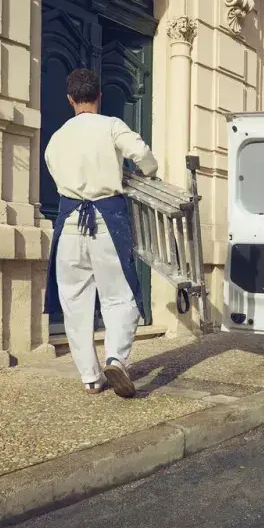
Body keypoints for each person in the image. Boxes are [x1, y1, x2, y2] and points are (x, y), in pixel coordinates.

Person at [42, 68, 159, 398]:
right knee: (119, 295)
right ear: (99, 96)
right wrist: (145, 173)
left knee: (75, 301)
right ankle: (116, 358)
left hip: (68, 225)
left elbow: (55, 175)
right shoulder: (111, 126)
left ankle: (91, 378)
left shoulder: (57, 138)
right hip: (107, 220)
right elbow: (143, 156)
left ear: (70, 100)